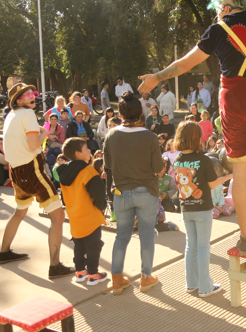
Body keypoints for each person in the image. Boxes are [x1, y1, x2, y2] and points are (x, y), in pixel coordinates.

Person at [138, 0, 246, 256]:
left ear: (226, 6)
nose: (217, 14)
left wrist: (156, 77)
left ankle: (243, 237)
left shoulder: (218, 29)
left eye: (217, 9)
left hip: (234, 99)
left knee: (239, 171)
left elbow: (186, 63)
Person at [0, 83, 74, 278]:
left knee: (19, 213)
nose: (32, 96)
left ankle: (4, 252)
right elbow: (34, 145)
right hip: (31, 170)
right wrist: (44, 134)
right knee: (57, 216)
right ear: (19, 100)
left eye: (32, 93)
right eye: (26, 94)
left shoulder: (10, 116)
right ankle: (55, 265)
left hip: (16, 171)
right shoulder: (28, 115)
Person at [103, 91, 164, 294]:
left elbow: (108, 167)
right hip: (147, 191)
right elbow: (159, 169)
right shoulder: (149, 137)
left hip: (121, 192)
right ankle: (146, 277)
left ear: (120, 114)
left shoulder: (111, 135)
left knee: (122, 236)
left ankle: (117, 279)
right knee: (146, 235)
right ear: (141, 113)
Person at [173, 122, 232, 297]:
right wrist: (230, 176)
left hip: (186, 208)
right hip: (203, 208)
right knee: (204, 247)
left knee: (191, 246)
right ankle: (206, 286)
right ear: (196, 138)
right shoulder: (203, 159)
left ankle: (191, 283)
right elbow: (212, 184)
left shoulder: (177, 160)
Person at [56, 138, 108, 285]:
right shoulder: (87, 171)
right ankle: (93, 274)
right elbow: (97, 193)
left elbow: (64, 197)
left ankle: (80, 272)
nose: (89, 151)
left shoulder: (63, 171)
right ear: (78, 153)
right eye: (86, 149)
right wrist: (102, 206)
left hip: (74, 214)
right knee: (94, 245)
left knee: (79, 244)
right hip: (90, 214)